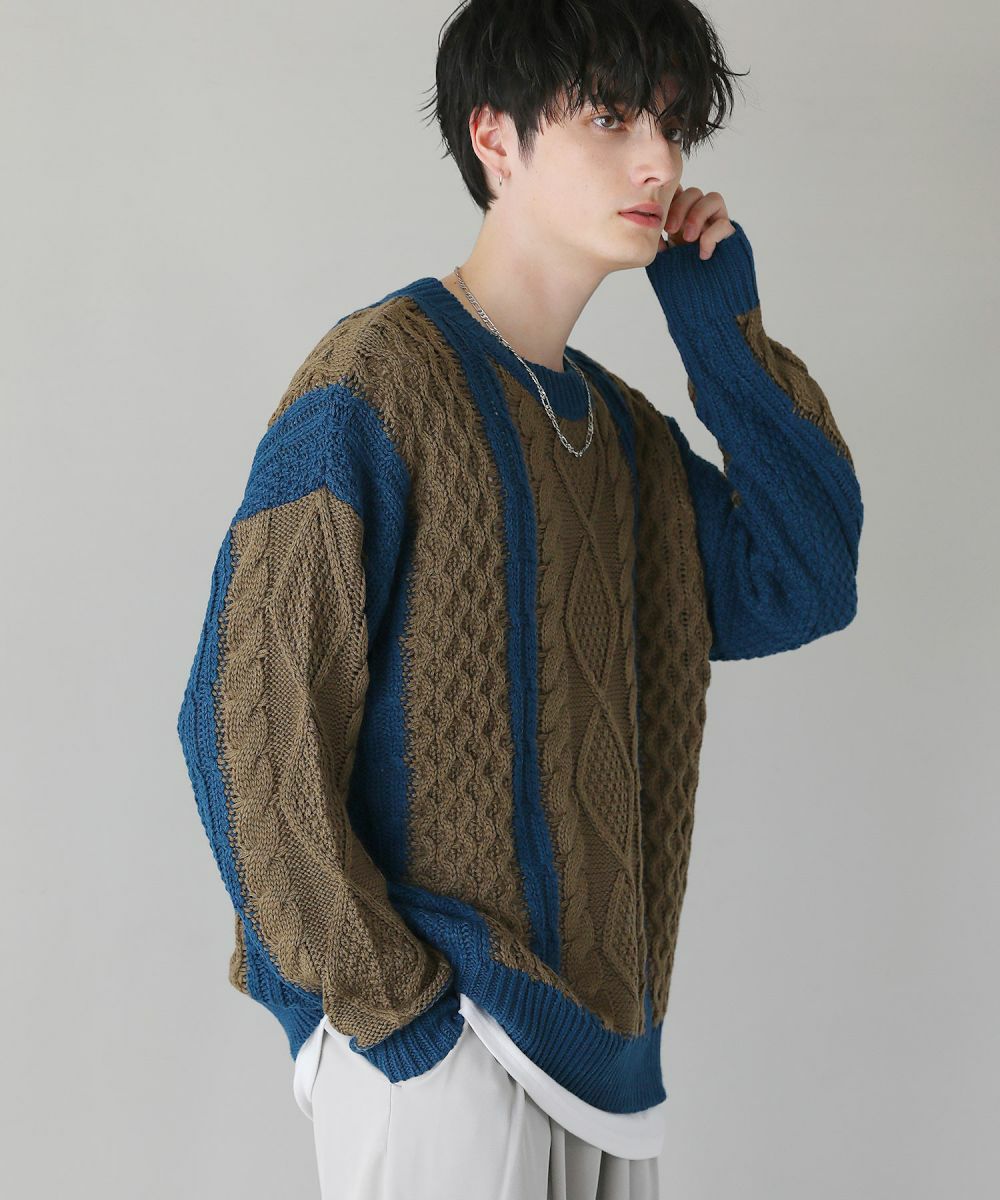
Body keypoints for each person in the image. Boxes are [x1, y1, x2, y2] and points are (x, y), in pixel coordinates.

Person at [175, 1, 864, 1197]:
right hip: (447, 1051)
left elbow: (803, 581)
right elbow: (243, 722)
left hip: (609, 1071)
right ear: (495, 137)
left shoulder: (628, 439)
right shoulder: (376, 382)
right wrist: (401, 1022)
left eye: (671, 125)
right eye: (612, 118)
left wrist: (717, 327)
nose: (656, 161)